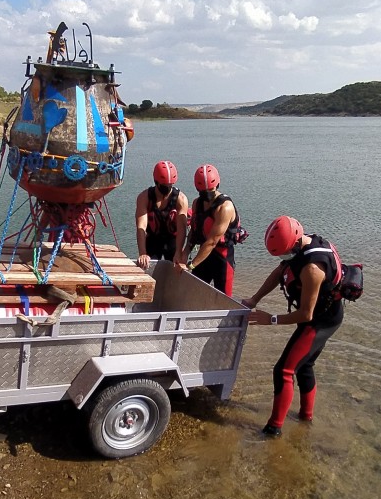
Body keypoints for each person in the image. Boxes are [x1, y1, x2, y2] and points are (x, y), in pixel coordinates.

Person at [242, 216, 345, 437]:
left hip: (321, 321)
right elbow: (280, 272)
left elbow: (305, 315)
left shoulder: (313, 269)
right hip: (319, 316)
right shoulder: (303, 244)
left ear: (295, 243)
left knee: (284, 370)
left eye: (284, 253)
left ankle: (273, 429)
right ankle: (306, 419)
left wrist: (271, 319)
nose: (283, 258)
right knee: (304, 366)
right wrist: (254, 299)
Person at [179, 164, 240, 297]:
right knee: (194, 296)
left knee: (223, 300)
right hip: (203, 257)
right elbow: (194, 232)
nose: (207, 195)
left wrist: (190, 265)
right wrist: (185, 252)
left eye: (210, 191)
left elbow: (212, 241)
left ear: (217, 185)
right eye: (203, 192)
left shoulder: (225, 208)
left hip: (222, 258)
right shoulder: (197, 203)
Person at [135, 160, 189, 268]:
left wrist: (179, 252)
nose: (167, 188)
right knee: (146, 266)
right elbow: (141, 227)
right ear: (156, 182)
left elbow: (182, 229)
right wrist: (142, 253)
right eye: (164, 185)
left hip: (172, 241)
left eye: (170, 185)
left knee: (178, 268)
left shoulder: (181, 199)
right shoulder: (145, 197)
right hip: (153, 240)